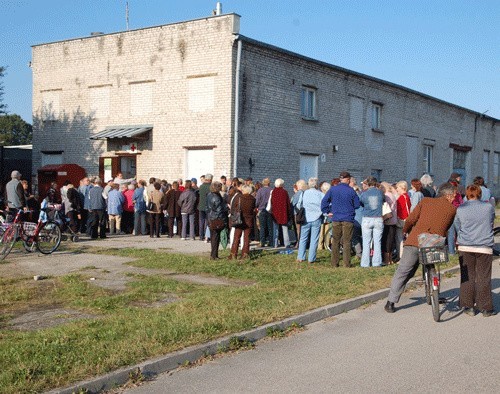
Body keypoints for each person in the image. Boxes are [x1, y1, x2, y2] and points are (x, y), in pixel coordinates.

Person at [384, 183, 457, 313]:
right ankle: (434, 292)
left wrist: (405, 231)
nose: (454, 198)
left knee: (404, 271)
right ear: (448, 195)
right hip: (435, 243)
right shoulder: (452, 209)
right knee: (432, 264)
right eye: (454, 196)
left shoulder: (426, 201)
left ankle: (390, 302)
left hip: (415, 241)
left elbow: (411, 219)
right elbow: (447, 227)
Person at [455, 184, 496, 317]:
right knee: (483, 276)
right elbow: (491, 222)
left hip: (465, 245)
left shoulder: (461, 208)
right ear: (480, 194)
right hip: (484, 245)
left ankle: (468, 306)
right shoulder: (488, 207)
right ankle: (485, 307)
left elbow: (457, 225)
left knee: (468, 276)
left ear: (467, 195)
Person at [321, 171, 360, 268]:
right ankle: (346, 264)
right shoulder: (351, 191)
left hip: (336, 218)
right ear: (347, 179)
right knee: (347, 241)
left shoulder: (333, 189)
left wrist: (328, 210)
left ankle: (334, 263)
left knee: (335, 241)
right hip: (348, 218)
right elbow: (357, 205)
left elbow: (324, 202)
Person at [297, 178, 324, 264]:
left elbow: (298, 205)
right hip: (317, 218)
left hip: (306, 217)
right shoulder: (321, 194)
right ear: (316, 185)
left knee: (303, 238)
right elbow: (324, 206)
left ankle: (301, 257)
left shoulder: (304, 193)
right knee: (314, 239)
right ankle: (311, 259)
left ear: (308, 184)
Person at [359, 176, 384, 267]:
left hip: (367, 218)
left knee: (366, 242)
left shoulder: (364, 193)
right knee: (377, 242)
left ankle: (365, 263)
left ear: (368, 184)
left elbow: (360, 203)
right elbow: (383, 201)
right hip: (378, 218)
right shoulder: (380, 193)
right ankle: (376, 262)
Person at [229, 184, 256, 260]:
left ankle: (233, 254)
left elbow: (235, 207)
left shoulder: (239, 198)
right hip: (249, 220)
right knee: (246, 238)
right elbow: (253, 209)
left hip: (239, 219)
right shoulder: (253, 199)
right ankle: (245, 254)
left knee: (236, 237)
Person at [206, 181, 228, 260]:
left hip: (210, 217)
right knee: (216, 237)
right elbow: (219, 210)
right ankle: (214, 255)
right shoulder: (217, 197)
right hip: (216, 218)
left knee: (213, 237)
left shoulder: (209, 195)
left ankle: (214, 254)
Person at [270, 178, 291, 248]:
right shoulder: (284, 192)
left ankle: (275, 244)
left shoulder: (273, 192)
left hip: (275, 213)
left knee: (275, 229)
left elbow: (272, 202)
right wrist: (289, 213)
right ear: (281, 184)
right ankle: (287, 244)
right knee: (285, 229)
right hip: (283, 213)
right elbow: (288, 203)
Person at [380, 181, 398, 265]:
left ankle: (386, 260)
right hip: (394, 220)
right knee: (391, 241)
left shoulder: (386, 196)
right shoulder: (393, 195)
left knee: (386, 241)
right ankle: (390, 259)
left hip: (388, 221)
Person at [394, 180, 411, 259]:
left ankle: (400, 256)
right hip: (405, 219)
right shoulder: (406, 196)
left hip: (402, 219)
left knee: (399, 239)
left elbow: (401, 209)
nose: (397, 189)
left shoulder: (402, 197)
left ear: (402, 188)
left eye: (397, 187)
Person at [255, 177, 273, 247]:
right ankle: (271, 241)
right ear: (269, 183)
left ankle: (262, 242)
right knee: (270, 227)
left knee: (262, 227)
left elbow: (257, 201)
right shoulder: (272, 190)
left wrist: (256, 206)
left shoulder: (260, 190)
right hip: (270, 210)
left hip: (261, 209)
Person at [198, 173, 212, 241]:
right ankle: (207, 236)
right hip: (208, 207)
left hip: (201, 206)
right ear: (210, 179)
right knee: (207, 222)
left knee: (201, 221)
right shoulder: (211, 187)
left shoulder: (201, 186)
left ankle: (201, 236)